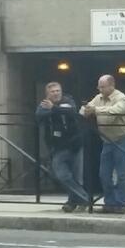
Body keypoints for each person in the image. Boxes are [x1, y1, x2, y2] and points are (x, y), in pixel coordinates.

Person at [35, 82, 89, 212]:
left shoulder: (68, 100)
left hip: (75, 144)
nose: (56, 93)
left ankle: (72, 203)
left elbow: (72, 112)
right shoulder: (44, 104)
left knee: (76, 177)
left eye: (58, 90)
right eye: (52, 91)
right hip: (58, 147)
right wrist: (54, 110)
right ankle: (84, 198)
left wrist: (53, 109)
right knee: (61, 175)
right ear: (47, 94)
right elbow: (38, 115)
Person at [82, 75, 125, 214]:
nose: (100, 89)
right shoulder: (98, 98)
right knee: (104, 174)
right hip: (107, 141)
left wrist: (96, 110)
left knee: (122, 174)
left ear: (112, 86)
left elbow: (118, 110)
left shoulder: (120, 97)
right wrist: (86, 110)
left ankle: (121, 204)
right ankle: (109, 203)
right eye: (99, 86)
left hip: (122, 139)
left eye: (102, 87)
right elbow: (84, 110)